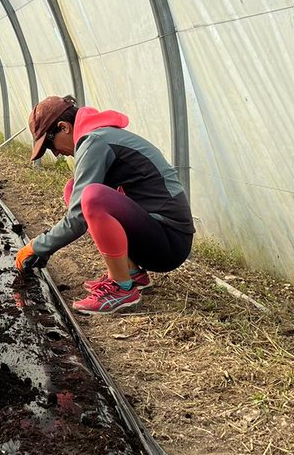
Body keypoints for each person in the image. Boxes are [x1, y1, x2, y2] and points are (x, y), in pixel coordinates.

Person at [14, 95, 194, 314]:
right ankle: (133, 273)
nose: (57, 153)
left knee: (92, 197)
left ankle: (122, 288)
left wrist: (37, 246)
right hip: (156, 235)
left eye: (50, 144)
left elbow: (79, 216)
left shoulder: (94, 141)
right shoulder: (101, 136)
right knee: (74, 189)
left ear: (64, 127)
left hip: (170, 241)